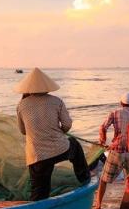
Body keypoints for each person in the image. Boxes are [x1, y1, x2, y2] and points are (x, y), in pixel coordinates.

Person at [15, 67, 90, 201]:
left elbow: (23, 131)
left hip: (36, 154)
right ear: (47, 87)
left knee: (39, 191)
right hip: (59, 149)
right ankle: (84, 179)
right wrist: (60, 132)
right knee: (75, 146)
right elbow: (67, 124)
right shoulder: (56, 101)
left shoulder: (21, 105)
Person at [94, 92, 129, 209]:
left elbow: (103, 127)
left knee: (104, 179)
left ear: (121, 103)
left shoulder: (115, 113)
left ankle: (98, 205)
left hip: (116, 151)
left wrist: (103, 141)